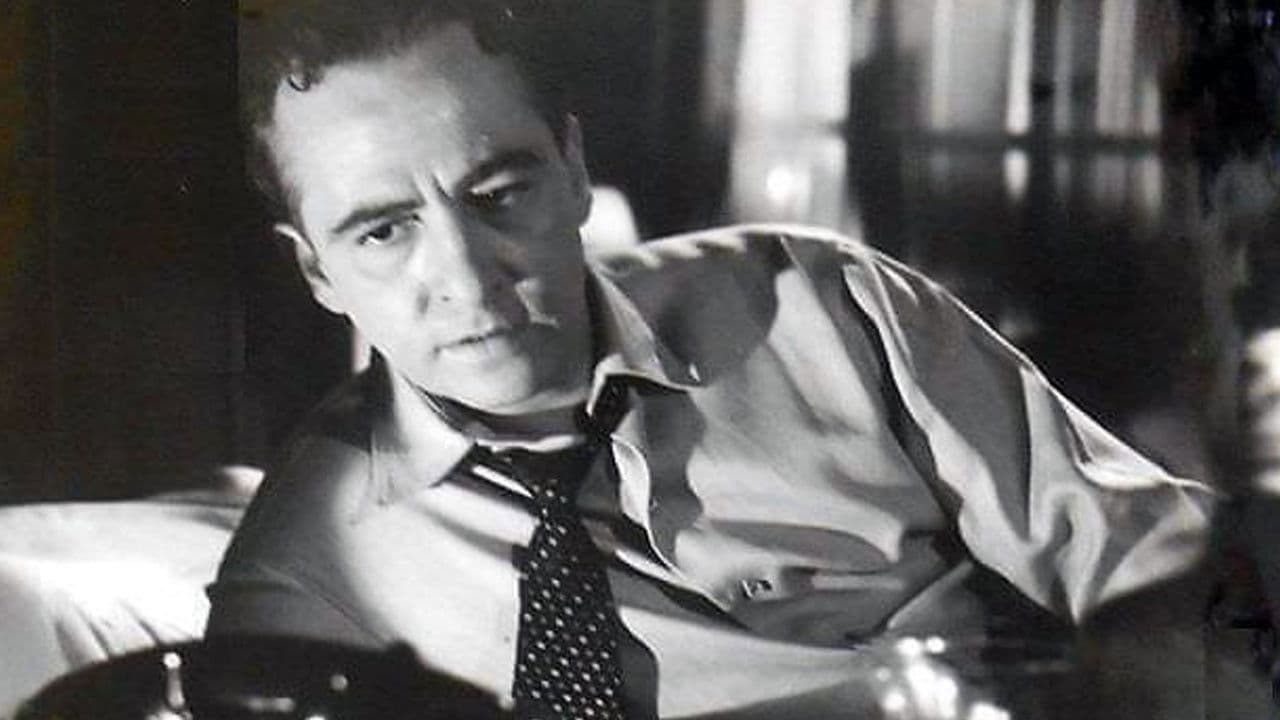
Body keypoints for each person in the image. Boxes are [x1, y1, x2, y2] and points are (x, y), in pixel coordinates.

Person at [208, 1, 1215, 717]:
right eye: (384, 231)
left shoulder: (823, 307)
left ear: (574, 171)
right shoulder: (304, 572)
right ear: (318, 271)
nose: (469, 281)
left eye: (501, 194)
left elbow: (1161, 568)